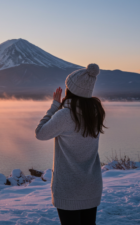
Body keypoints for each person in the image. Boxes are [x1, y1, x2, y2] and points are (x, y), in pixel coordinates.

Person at [35, 64, 106, 225]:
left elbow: (40, 133)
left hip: (69, 189)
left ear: (70, 91)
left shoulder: (65, 115)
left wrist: (54, 106)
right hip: (92, 186)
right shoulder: (95, 113)